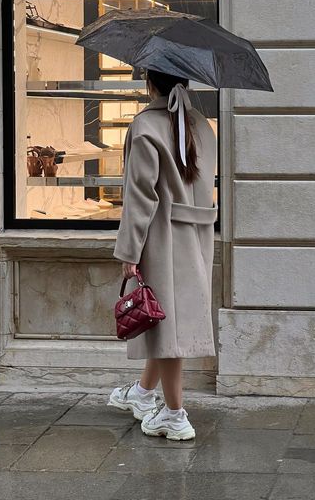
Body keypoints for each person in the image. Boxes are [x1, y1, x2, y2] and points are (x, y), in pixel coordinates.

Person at [107, 69, 217, 441]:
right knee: (167, 317)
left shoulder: (146, 125)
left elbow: (140, 194)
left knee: (168, 326)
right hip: (197, 235)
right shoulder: (202, 124)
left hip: (162, 236)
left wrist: (129, 249)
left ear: (150, 83)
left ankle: (174, 415)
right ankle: (142, 394)